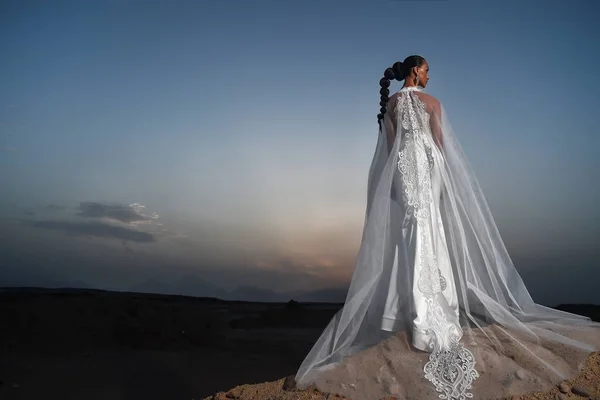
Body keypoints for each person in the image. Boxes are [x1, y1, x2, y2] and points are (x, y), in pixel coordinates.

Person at [294, 55, 600, 400]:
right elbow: (441, 144)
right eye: (426, 70)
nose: (428, 75)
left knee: (413, 230)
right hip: (427, 164)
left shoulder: (391, 104)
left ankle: (414, 313)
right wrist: (446, 179)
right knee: (429, 228)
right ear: (415, 70)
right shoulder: (432, 102)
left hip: (405, 169)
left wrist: (395, 185)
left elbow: (391, 149)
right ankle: (435, 312)